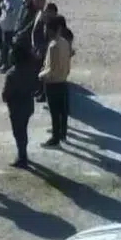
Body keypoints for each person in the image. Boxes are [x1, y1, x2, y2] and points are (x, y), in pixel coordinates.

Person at [1, 44, 39, 167]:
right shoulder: (31, 69)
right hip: (28, 105)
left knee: (19, 133)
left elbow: (6, 94)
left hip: (16, 108)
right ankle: (23, 154)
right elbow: (36, 86)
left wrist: (6, 98)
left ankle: (22, 157)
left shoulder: (11, 74)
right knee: (23, 130)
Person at [39, 16, 73, 148]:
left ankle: (55, 137)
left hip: (53, 83)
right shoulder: (64, 42)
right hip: (63, 81)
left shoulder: (53, 46)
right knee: (63, 111)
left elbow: (51, 69)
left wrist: (40, 75)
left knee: (54, 112)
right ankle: (63, 133)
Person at [0, 0, 20, 71]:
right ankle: (3, 61)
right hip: (4, 28)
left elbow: (14, 13)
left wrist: (7, 9)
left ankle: (8, 64)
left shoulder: (16, 1)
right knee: (4, 46)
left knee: (9, 48)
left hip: (11, 28)